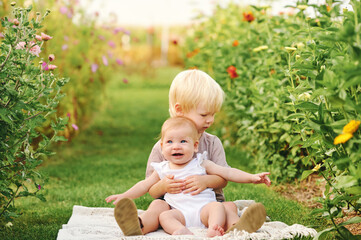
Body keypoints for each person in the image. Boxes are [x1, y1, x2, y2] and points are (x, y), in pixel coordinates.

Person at [106, 69, 269, 235]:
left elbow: (224, 177)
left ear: (196, 146)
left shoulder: (212, 143)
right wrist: (162, 186)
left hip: (209, 206)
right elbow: (151, 188)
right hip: (173, 207)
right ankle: (138, 226)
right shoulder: (163, 148)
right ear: (180, 110)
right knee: (157, 207)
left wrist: (205, 181)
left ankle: (237, 227)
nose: (210, 120)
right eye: (204, 114)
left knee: (228, 207)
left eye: (213, 114)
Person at [106, 117, 271, 237]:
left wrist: (252, 177)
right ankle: (139, 225)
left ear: (195, 146)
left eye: (183, 141)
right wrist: (123, 196)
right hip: (178, 213)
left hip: (204, 211)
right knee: (163, 214)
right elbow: (144, 185)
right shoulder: (162, 168)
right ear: (162, 147)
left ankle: (229, 227)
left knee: (221, 207)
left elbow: (228, 172)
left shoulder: (201, 163)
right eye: (170, 142)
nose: (176, 146)